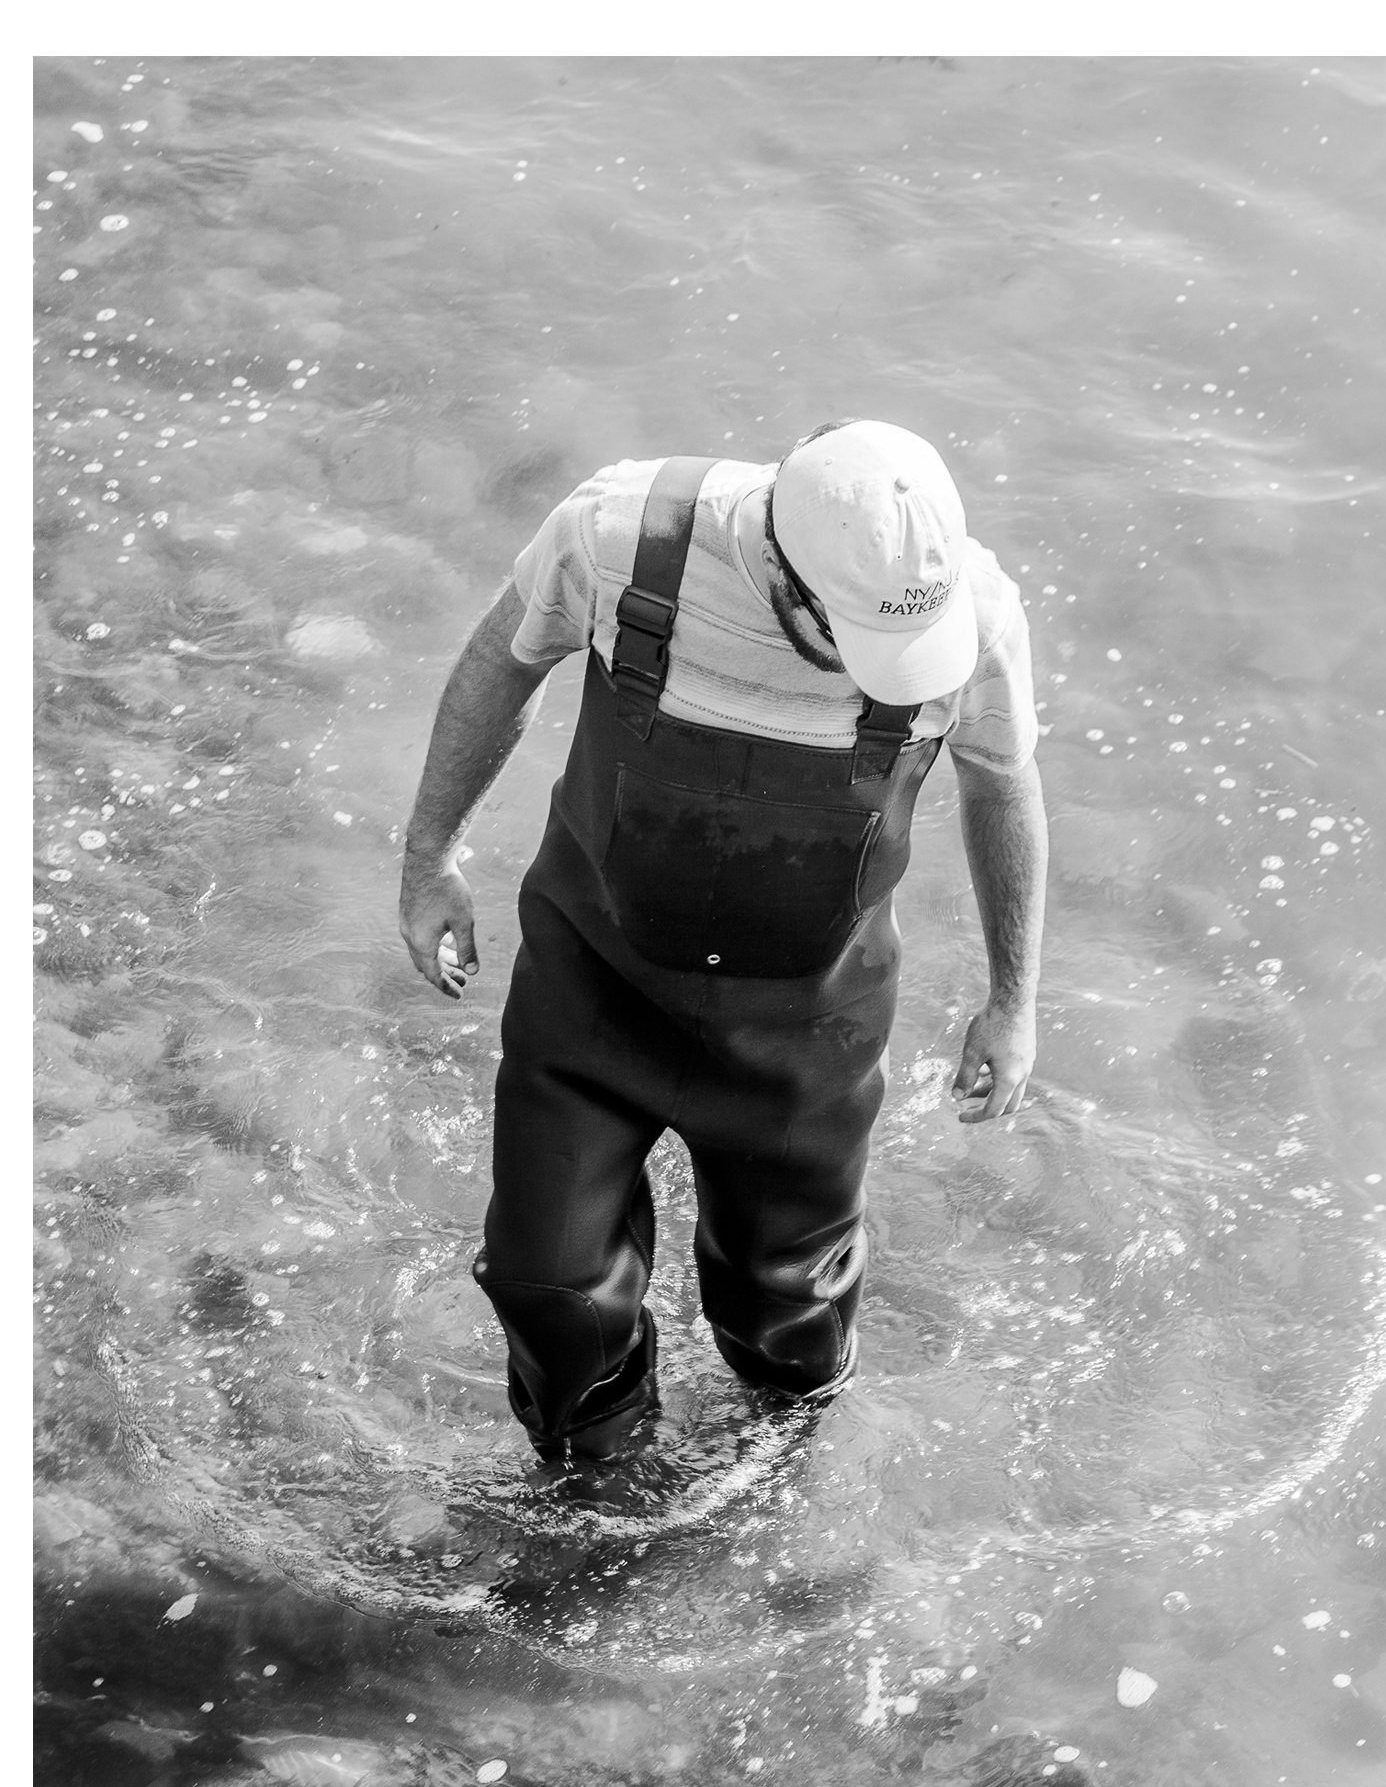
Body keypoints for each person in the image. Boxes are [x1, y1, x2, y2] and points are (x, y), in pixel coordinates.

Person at [395, 419, 1047, 1465]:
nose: (889, 673)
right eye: (853, 634)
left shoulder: (978, 617)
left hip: (808, 1030)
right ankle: (596, 1485)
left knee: (789, 1317)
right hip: (593, 986)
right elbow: (501, 662)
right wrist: (431, 855)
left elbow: (1002, 784)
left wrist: (1014, 1000)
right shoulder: (618, 537)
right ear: (784, 570)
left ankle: (777, 1485)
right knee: (550, 1287)